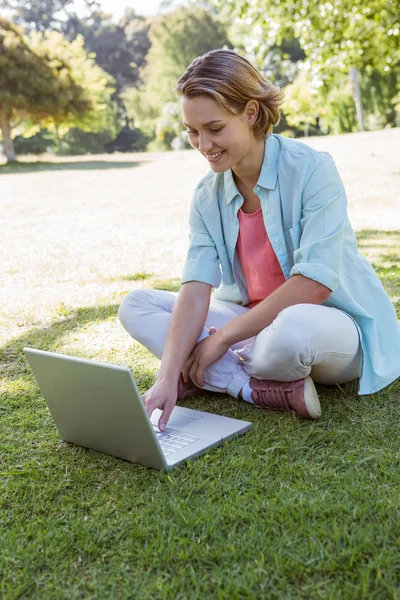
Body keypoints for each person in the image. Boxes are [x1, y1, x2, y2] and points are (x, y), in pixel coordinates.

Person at [119, 49, 400, 431]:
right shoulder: (207, 194)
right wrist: (166, 376)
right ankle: (253, 388)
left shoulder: (312, 169)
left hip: (329, 327)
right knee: (137, 305)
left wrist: (221, 341)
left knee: (288, 334)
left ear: (250, 113)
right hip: (255, 325)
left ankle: (221, 370)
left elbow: (315, 284)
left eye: (214, 129)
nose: (203, 145)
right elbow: (196, 287)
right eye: (192, 131)